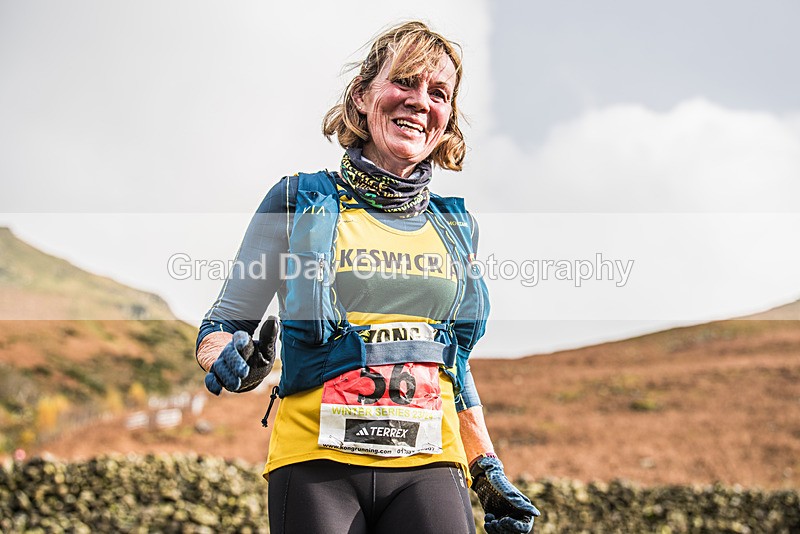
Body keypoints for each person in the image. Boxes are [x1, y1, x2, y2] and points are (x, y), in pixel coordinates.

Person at [195, 21, 540, 534]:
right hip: (316, 466)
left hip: (430, 464)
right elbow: (222, 323)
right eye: (404, 82)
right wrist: (230, 359)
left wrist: (487, 468)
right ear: (362, 97)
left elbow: (453, 362)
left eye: (438, 93)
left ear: (446, 120)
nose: (420, 101)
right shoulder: (297, 200)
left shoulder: (456, 228)